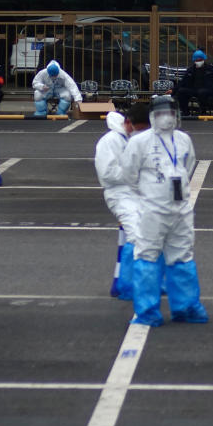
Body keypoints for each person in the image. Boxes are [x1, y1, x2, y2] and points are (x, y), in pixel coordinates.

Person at [120, 95, 207, 326]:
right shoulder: (139, 142)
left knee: (182, 255)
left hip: (181, 209)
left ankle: (186, 308)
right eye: (160, 113)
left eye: (169, 112)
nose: (165, 118)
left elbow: (189, 165)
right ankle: (147, 311)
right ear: (152, 117)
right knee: (147, 254)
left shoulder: (183, 139)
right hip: (153, 209)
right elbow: (129, 174)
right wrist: (150, 193)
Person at [95, 103, 149, 300]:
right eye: (139, 129)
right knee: (137, 236)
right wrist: (134, 173)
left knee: (149, 234)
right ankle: (136, 283)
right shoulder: (109, 141)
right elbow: (107, 174)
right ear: (128, 123)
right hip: (119, 193)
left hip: (137, 192)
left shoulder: (132, 138)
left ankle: (126, 281)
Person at [174, 50, 213, 116]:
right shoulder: (190, 70)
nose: (199, 62)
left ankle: (203, 111)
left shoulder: (210, 69)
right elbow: (183, 82)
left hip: (206, 90)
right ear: (194, 61)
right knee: (181, 91)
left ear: (203, 59)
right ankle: (185, 111)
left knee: (202, 92)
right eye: (197, 60)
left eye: (200, 60)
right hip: (193, 89)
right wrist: (173, 90)